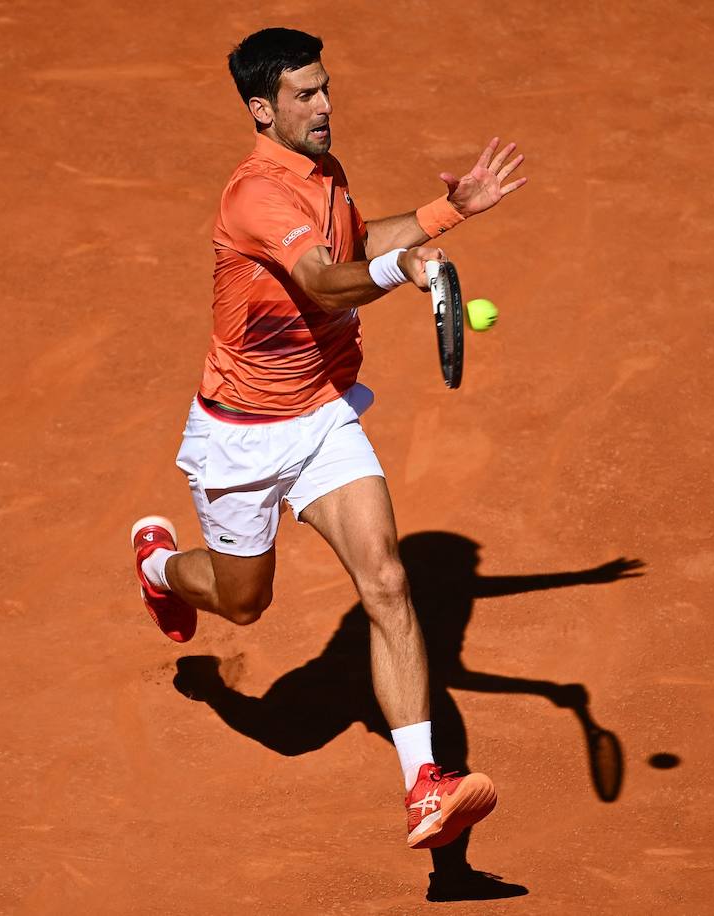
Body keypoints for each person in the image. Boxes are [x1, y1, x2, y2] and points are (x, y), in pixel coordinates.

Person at [128, 26, 526, 851]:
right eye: (304, 95)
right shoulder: (256, 195)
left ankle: (425, 787)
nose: (324, 105)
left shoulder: (323, 174)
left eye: (326, 88)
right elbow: (321, 279)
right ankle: (160, 566)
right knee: (244, 606)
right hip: (240, 435)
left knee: (387, 579)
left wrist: (446, 213)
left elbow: (353, 245)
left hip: (319, 417)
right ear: (260, 110)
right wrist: (404, 272)